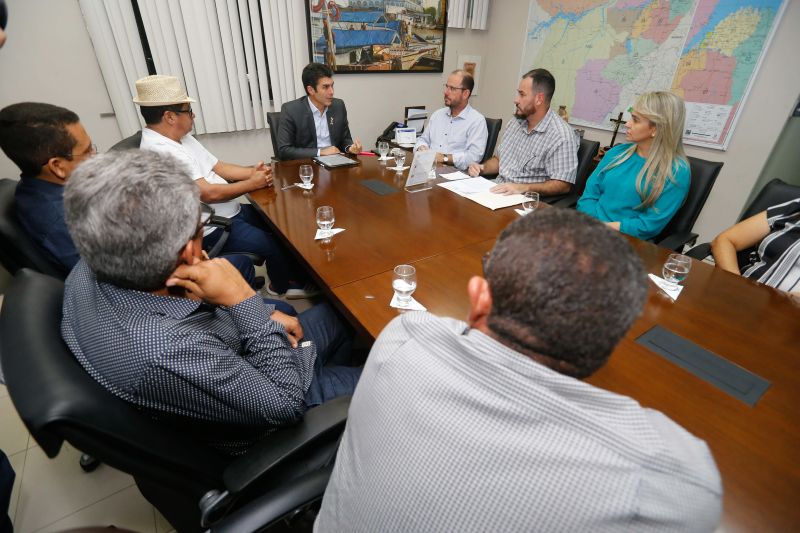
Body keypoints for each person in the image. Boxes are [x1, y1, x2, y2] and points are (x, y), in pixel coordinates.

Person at [315, 209, 722, 532]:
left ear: (477, 298)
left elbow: (449, 330)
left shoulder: (404, 335)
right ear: (607, 343)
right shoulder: (673, 482)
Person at [61, 150, 362, 454]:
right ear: (189, 253)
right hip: (281, 400)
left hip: (248, 355)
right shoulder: (167, 350)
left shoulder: (88, 266)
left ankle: (340, 407)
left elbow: (194, 315)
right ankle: (339, 419)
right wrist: (244, 300)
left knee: (347, 315)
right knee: (391, 379)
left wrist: (262, 314)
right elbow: (286, 404)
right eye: (201, 223)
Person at [133, 74, 317, 299]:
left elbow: (219, 167)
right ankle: (280, 286)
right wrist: (251, 183)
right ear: (170, 116)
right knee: (272, 243)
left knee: (280, 223)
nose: (193, 116)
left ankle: (292, 274)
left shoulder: (181, 137)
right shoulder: (161, 151)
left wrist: (254, 172)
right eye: (188, 111)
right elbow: (208, 194)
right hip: (211, 227)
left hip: (230, 212)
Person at [577, 91, 691, 240]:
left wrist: (601, 228)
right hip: (589, 229)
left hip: (626, 242)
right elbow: (589, 196)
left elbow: (648, 225)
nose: (628, 124)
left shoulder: (676, 172)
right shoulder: (616, 153)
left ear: (656, 129)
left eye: (636, 120)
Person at [467, 68, 578, 197]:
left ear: (539, 99)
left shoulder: (561, 135)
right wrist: (482, 168)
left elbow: (562, 185)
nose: (516, 100)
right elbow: (499, 159)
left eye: (522, 94)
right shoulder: (516, 122)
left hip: (525, 201)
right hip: (497, 190)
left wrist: (523, 188)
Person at [710, 197, 800, 293]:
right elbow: (724, 240)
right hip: (738, 291)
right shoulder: (796, 207)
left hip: (784, 306)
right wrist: (735, 285)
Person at [276, 62, 362, 161]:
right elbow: (284, 150)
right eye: (325, 87)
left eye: (332, 86)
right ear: (311, 90)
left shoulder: (338, 106)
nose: (331, 92)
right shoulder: (291, 110)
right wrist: (320, 152)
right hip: (306, 166)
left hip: (335, 163)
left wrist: (350, 148)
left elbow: (345, 139)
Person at [414, 69, 488, 170]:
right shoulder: (437, 115)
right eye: (446, 87)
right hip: (429, 169)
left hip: (455, 175)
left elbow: (474, 157)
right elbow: (423, 139)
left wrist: (444, 158)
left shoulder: (477, 121)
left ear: (465, 94)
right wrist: (421, 148)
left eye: (452, 89)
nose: (446, 92)